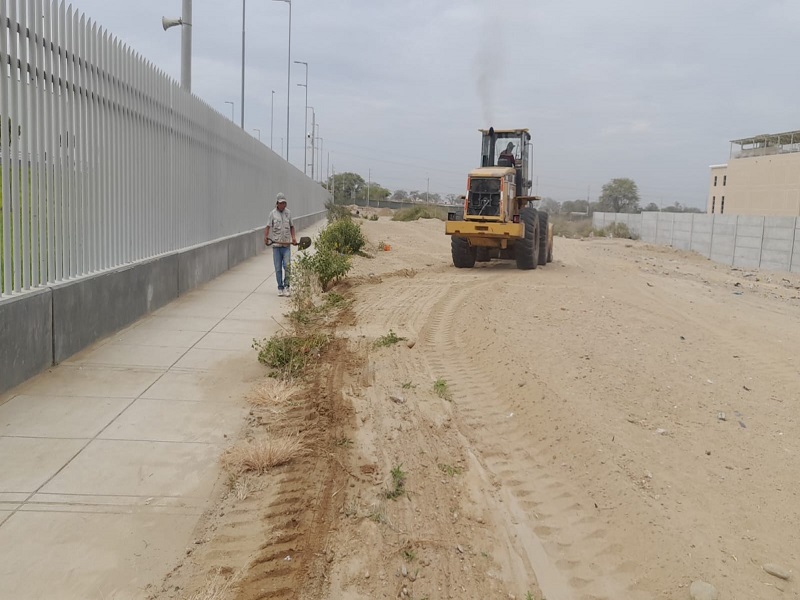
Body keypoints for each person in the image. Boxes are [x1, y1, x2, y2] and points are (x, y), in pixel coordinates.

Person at [264, 192, 297, 296]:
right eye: (280, 203)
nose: (282, 205)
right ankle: (280, 287)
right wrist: (266, 237)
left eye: (284, 203)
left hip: (286, 245)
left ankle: (287, 286)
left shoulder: (289, 213)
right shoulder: (272, 214)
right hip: (276, 246)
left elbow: (292, 226)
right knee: (278, 268)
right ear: (277, 203)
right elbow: (268, 226)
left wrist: (294, 238)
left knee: (287, 266)